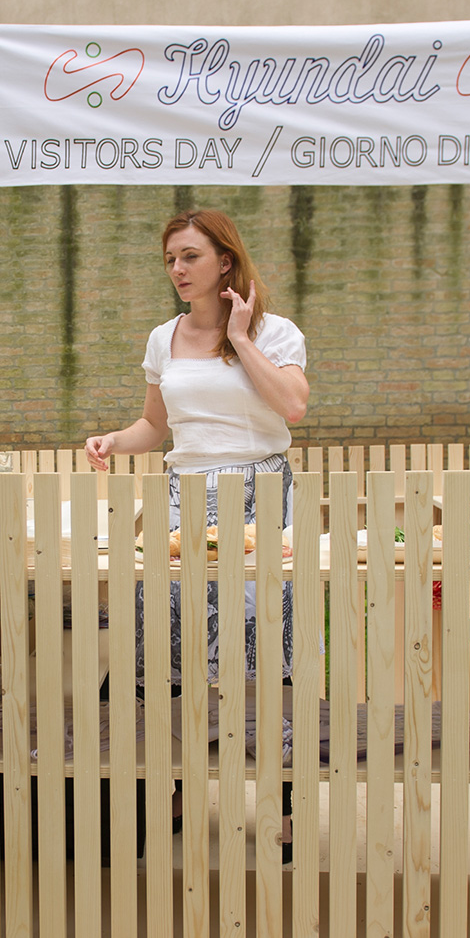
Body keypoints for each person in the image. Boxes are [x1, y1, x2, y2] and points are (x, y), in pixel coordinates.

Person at [83, 208, 310, 855]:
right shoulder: (164, 338)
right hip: (183, 503)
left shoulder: (275, 332)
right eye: (170, 259)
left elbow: (293, 406)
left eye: (190, 256)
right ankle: (177, 786)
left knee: (267, 647)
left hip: (260, 497)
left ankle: (284, 801)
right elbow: (156, 426)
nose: (177, 270)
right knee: (168, 645)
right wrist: (115, 440)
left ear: (225, 261)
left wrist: (240, 337)